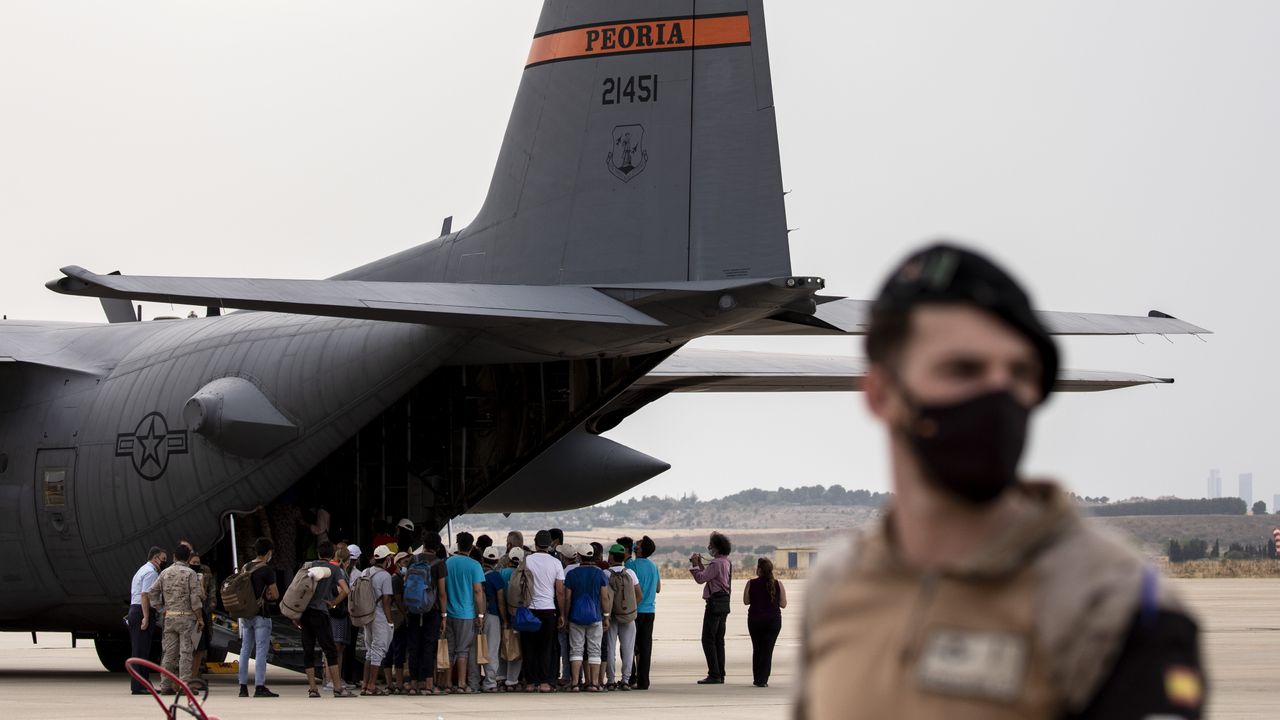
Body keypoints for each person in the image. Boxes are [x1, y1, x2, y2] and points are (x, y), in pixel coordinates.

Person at [796, 243, 1207, 719]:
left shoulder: (1110, 602)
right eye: (963, 369)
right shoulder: (839, 585)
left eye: (1020, 373)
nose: (998, 395)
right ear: (881, 394)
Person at [142, 543, 203, 694]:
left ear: (174, 557)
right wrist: (200, 618)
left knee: (169, 653)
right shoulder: (190, 574)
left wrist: (161, 609)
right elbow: (195, 599)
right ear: (188, 558)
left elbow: (152, 592)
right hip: (187, 619)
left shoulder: (165, 573)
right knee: (186, 653)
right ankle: (184, 685)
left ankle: (165, 685)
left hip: (169, 618)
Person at [295, 540, 353, 698]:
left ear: (318, 553)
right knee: (330, 650)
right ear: (332, 554)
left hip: (305, 613)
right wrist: (333, 603)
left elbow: (297, 588)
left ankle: (313, 688)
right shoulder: (334, 569)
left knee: (308, 649)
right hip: (321, 612)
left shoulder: (308, 566)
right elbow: (346, 590)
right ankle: (337, 687)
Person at [520, 530, 567, 693]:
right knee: (547, 647)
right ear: (549, 544)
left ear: (535, 542)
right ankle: (545, 682)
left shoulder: (527, 560)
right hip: (548, 609)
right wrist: (562, 613)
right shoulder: (556, 563)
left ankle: (531, 682)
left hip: (529, 609)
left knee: (529, 646)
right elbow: (560, 591)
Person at [404, 533, 449, 696]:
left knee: (414, 646)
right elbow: (442, 592)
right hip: (432, 609)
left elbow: (406, 583)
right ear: (438, 547)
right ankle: (428, 684)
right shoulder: (439, 563)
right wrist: (444, 615)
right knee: (429, 645)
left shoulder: (413, 560)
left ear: (423, 544)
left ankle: (413, 682)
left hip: (413, 608)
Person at [238, 537, 280, 698]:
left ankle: (242, 687)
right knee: (261, 650)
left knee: (245, 649)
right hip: (261, 614)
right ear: (269, 552)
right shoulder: (267, 570)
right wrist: (268, 595)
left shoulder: (245, 567)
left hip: (245, 613)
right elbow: (275, 594)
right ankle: (259, 686)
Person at [565, 544, 610, 692]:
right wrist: (606, 616)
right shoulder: (600, 574)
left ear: (579, 556)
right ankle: (595, 683)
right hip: (595, 616)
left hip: (575, 618)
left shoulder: (572, 574)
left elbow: (567, 598)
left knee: (576, 650)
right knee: (595, 650)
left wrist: (565, 616)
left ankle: (576, 683)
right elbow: (604, 597)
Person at [445, 532, 486, 693]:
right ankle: (461, 684)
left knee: (449, 649)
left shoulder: (448, 562)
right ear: (472, 546)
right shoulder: (474, 565)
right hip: (466, 614)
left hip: (448, 612)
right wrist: (480, 614)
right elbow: (478, 591)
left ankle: (447, 683)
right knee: (463, 650)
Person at [690, 531, 732, 685]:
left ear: (717, 547)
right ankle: (720, 672)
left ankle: (714, 674)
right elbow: (709, 575)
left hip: (714, 603)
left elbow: (701, 578)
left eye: (711, 546)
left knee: (708, 639)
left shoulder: (715, 563)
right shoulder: (726, 562)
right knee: (719, 640)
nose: (709, 548)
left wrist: (695, 565)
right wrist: (701, 564)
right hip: (724, 603)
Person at [603, 543, 641, 690]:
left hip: (611, 617)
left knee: (610, 648)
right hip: (628, 617)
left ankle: (611, 680)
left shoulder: (606, 574)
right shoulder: (630, 573)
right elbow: (639, 595)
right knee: (628, 649)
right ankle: (626, 680)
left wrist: (607, 613)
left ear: (611, 556)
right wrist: (629, 609)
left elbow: (605, 597)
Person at [469, 546, 507, 693]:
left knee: (474, 649)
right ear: (496, 561)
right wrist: (504, 619)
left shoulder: (476, 573)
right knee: (491, 649)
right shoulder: (496, 576)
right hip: (492, 615)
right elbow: (501, 600)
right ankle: (490, 683)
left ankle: (473, 682)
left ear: (483, 559)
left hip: (474, 614)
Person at [128, 546, 166, 694]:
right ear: (155, 557)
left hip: (136, 609)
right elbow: (145, 595)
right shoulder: (150, 572)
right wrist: (146, 617)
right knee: (140, 651)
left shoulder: (142, 569)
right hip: (141, 610)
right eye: (163, 559)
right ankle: (139, 685)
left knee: (141, 649)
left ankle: (143, 683)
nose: (164, 562)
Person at [743, 557, 785, 688]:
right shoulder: (778, 584)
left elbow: (746, 601)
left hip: (755, 620)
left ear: (759, 570)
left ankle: (757, 678)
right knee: (767, 650)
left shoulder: (751, 583)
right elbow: (783, 604)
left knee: (757, 649)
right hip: (773, 621)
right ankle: (763, 679)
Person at [361, 545, 396, 696]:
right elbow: (386, 600)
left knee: (369, 651)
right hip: (379, 615)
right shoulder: (385, 576)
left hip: (366, 614)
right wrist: (390, 622)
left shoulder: (365, 571)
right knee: (378, 650)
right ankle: (372, 685)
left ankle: (365, 685)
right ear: (386, 559)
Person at [627, 535, 660, 690]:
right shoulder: (654, 566)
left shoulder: (632, 565)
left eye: (638, 544)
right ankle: (644, 680)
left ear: (640, 549)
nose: (635, 545)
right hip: (650, 610)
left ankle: (630, 677)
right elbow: (658, 588)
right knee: (645, 647)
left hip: (636, 610)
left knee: (630, 645)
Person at [327, 544, 358, 691]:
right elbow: (343, 591)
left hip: (334, 613)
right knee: (336, 647)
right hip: (338, 614)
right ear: (347, 561)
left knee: (336, 647)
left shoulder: (332, 568)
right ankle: (333, 679)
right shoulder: (340, 572)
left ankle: (334, 679)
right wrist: (335, 603)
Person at [499, 547, 525, 691]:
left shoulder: (501, 573)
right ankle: (512, 680)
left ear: (509, 559)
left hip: (502, 615)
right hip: (518, 615)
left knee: (502, 645)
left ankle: (500, 677)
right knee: (516, 646)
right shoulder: (521, 574)